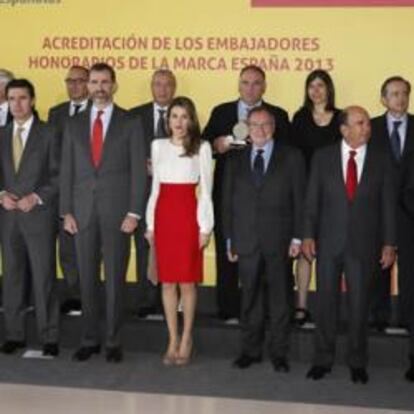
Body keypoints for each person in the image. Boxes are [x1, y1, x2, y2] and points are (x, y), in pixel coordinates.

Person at [60, 63, 147, 363]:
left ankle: (112, 340)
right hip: (81, 214)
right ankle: (88, 339)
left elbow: (139, 171)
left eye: (104, 82)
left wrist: (135, 212)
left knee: (114, 279)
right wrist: (65, 211)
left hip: (118, 214)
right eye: (94, 82)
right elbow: (67, 172)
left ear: (114, 85)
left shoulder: (131, 122)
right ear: (87, 85)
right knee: (86, 278)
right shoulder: (72, 125)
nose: (99, 87)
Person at [303, 106, 396, 384]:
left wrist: (390, 243)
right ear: (344, 129)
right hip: (328, 243)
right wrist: (307, 235)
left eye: (367, 122)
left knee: (358, 306)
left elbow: (387, 205)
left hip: (364, 244)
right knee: (326, 304)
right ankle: (322, 359)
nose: (367, 127)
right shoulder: (322, 157)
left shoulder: (381, 159)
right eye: (360, 122)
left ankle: (357, 361)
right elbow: (312, 201)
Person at [202, 65, 290, 323]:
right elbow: (204, 144)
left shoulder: (279, 115)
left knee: (266, 255)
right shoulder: (222, 111)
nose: (250, 88)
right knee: (227, 249)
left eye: (256, 83)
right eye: (245, 82)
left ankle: (262, 311)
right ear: (238, 85)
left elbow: (287, 153)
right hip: (229, 193)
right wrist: (217, 145)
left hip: (267, 196)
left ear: (264, 86)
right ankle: (228, 308)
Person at [223, 106, 305, 371]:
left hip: (279, 240)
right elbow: (227, 203)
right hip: (245, 240)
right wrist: (229, 240)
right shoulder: (234, 160)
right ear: (247, 127)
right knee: (249, 299)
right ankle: (250, 350)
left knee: (281, 300)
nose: (260, 129)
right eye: (254, 124)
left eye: (265, 124)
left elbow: (300, 201)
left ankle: (279, 353)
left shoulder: (292, 157)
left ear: (273, 127)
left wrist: (297, 238)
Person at [145, 96, 214, 366]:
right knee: (167, 281)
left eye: (184, 117)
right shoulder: (157, 146)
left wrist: (205, 227)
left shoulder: (202, 147)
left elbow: (206, 191)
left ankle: (187, 337)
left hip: (188, 217)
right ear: (167, 119)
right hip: (164, 217)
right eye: (174, 116)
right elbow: (155, 189)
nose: (179, 122)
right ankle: (172, 338)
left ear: (192, 120)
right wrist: (150, 224)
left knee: (186, 281)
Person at [0, 79, 59, 356]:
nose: (17, 104)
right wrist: (1, 194)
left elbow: (59, 175)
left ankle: (49, 337)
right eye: (12, 99)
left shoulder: (49, 133)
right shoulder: (1, 134)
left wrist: (35, 197)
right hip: (9, 217)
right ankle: (14, 335)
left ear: (33, 101)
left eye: (22, 98)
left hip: (39, 216)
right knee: (12, 276)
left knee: (43, 276)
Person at [290, 69, 341, 326]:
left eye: (321, 85)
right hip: (306, 192)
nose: (316, 91)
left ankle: (327, 309)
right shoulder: (299, 118)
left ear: (328, 89)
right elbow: (293, 157)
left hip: (335, 195)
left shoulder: (341, 118)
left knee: (330, 253)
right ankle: (301, 306)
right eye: (312, 86)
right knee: (304, 252)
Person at [129, 69, 177, 318]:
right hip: (142, 191)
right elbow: (125, 151)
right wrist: (141, 165)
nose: (162, 89)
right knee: (144, 245)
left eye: (167, 85)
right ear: (151, 86)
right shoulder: (134, 116)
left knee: (171, 246)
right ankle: (146, 299)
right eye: (158, 84)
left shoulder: (183, 115)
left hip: (172, 192)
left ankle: (168, 297)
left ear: (174, 88)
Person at [370, 76, 414, 332]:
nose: (401, 98)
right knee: (380, 265)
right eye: (394, 93)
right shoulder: (370, 127)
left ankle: (410, 319)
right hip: (378, 209)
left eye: (404, 93)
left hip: (410, 210)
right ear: (383, 99)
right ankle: (379, 317)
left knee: (410, 268)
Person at [48, 65, 90, 315]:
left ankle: (90, 295)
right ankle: (75, 295)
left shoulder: (99, 114)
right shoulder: (56, 113)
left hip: (89, 191)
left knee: (90, 248)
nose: (74, 85)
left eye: (80, 80)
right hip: (61, 190)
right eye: (70, 81)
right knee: (66, 248)